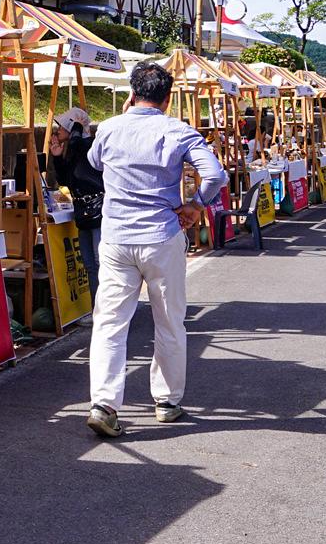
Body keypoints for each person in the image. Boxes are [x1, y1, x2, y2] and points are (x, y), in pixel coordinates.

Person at [85, 63, 227, 439]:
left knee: (110, 324)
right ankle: (166, 401)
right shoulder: (178, 131)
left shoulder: (110, 127)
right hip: (161, 236)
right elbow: (215, 175)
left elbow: (94, 162)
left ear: (132, 93)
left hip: (116, 238)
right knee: (169, 321)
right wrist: (195, 204)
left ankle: (104, 404)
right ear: (167, 99)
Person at [46, 106, 102, 269]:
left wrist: (76, 125)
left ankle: (103, 296)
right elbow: (64, 180)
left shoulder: (89, 145)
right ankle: (94, 296)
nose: (57, 131)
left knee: (100, 262)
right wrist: (57, 158)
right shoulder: (71, 150)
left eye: (62, 126)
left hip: (98, 210)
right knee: (89, 265)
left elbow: (78, 144)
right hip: (81, 211)